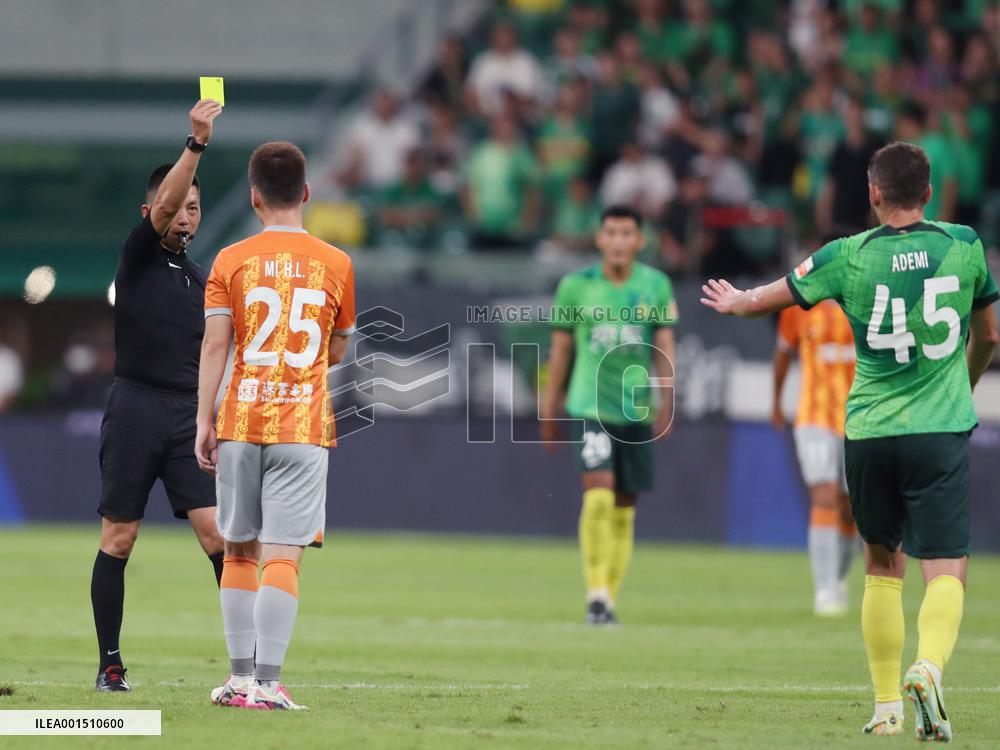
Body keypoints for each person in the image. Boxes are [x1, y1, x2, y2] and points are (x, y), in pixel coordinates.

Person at [701, 141, 999, 741]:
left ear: (873, 193)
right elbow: (990, 333)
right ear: (931, 193)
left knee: (881, 566)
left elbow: (773, 296)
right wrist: (963, 384)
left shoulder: (846, 255)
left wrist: (737, 302)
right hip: (937, 429)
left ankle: (887, 704)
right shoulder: (965, 244)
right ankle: (929, 666)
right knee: (945, 567)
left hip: (867, 431)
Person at [196, 141, 355, 711]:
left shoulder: (228, 260)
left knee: (238, 552)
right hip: (303, 425)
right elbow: (338, 347)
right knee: (283, 557)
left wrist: (203, 420)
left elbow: (217, 345)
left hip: (239, 418)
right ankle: (267, 683)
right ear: (307, 193)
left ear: (254, 196)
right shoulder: (338, 263)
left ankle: (239, 680)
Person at [92, 99, 225, 692]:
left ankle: (246, 666)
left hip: (184, 416)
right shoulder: (137, 256)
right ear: (152, 211)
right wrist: (195, 145)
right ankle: (110, 665)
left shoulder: (203, 279)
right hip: (134, 409)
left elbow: (219, 354)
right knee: (120, 537)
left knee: (219, 537)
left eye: (196, 209)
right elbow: (170, 197)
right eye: (178, 207)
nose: (186, 216)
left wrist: (212, 416)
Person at [541, 205, 678, 625]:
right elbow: (561, 349)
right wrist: (549, 406)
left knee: (624, 505)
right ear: (599, 239)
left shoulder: (656, 285)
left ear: (639, 240)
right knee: (598, 494)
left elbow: (665, 346)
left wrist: (667, 398)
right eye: (611, 233)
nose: (618, 241)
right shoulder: (575, 286)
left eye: (627, 233)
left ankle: (609, 600)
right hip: (590, 406)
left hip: (636, 408)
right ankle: (596, 593)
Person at [772, 299, 858, 616]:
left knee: (852, 508)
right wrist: (776, 401)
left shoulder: (869, 297)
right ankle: (824, 589)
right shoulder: (798, 306)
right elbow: (782, 353)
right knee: (824, 496)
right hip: (814, 418)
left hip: (859, 419)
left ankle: (837, 578)